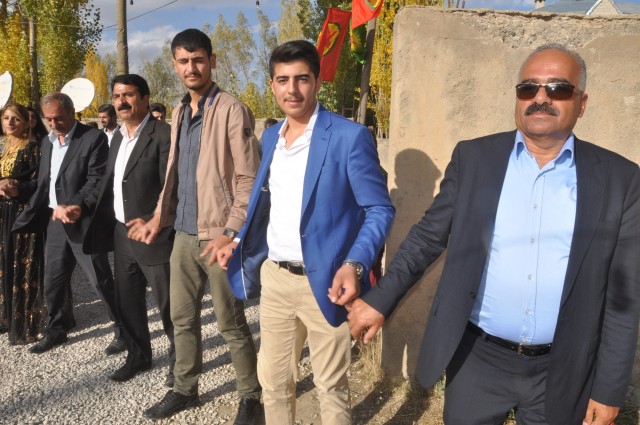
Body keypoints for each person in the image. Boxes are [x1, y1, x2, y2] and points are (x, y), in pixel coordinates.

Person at [347, 44, 640, 425]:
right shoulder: (475, 159)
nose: (540, 98)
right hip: (477, 361)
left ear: (581, 103)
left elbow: (624, 296)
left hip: (564, 367)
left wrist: (608, 388)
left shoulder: (620, 180)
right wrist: (380, 299)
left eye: (558, 89)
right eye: (528, 88)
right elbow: (427, 238)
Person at [218, 40, 395, 425]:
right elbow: (269, 205)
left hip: (329, 283)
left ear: (317, 82)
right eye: (283, 80)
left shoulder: (349, 137)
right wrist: (237, 239)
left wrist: (354, 264)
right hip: (276, 280)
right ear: (272, 85)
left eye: (301, 79)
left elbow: (379, 209)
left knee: (330, 386)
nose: (292, 89)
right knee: (274, 383)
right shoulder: (271, 138)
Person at [127, 29, 262, 424]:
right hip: (183, 236)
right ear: (174, 65)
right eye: (184, 61)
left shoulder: (232, 109)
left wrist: (231, 231)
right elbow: (175, 173)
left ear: (212, 61)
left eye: (198, 59)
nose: (191, 68)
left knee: (231, 323)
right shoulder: (180, 111)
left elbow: (248, 179)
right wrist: (159, 218)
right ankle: (185, 389)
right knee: (181, 320)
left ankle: (251, 397)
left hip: (218, 236)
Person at [59, 74, 175, 385]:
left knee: (169, 305)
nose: (121, 101)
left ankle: (181, 364)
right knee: (128, 301)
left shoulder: (164, 135)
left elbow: (171, 187)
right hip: (122, 234)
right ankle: (138, 356)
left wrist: (155, 221)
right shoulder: (118, 138)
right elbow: (106, 184)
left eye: (129, 95)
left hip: (154, 234)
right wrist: (80, 206)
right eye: (117, 96)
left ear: (145, 98)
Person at [12, 92, 123, 355]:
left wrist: (75, 205)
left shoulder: (92, 138)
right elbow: (45, 182)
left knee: (100, 280)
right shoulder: (48, 142)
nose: (53, 124)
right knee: (53, 281)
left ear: (72, 113)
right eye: (48, 119)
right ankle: (57, 329)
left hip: (83, 222)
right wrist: (18, 189)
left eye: (58, 118)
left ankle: (123, 329)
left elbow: (97, 179)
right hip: (55, 223)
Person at [0, 102, 45, 344]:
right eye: (6, 118)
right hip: (3, 212)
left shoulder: (33, 148)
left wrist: (17, 188)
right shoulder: (4, 147)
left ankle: (27, 324)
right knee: (5, 261)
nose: (10, 122)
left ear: (26, 123)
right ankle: (7, 318)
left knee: (21, 264)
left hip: (23, 214)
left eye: (16, 118)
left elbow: (40, 183)